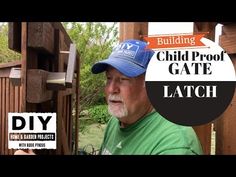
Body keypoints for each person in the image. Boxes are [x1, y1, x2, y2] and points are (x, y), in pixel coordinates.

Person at [91, 39, 203, 155]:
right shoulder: (115, 122)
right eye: (109, 78)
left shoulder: (174, 145)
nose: (111, 89)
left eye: (123, 79)